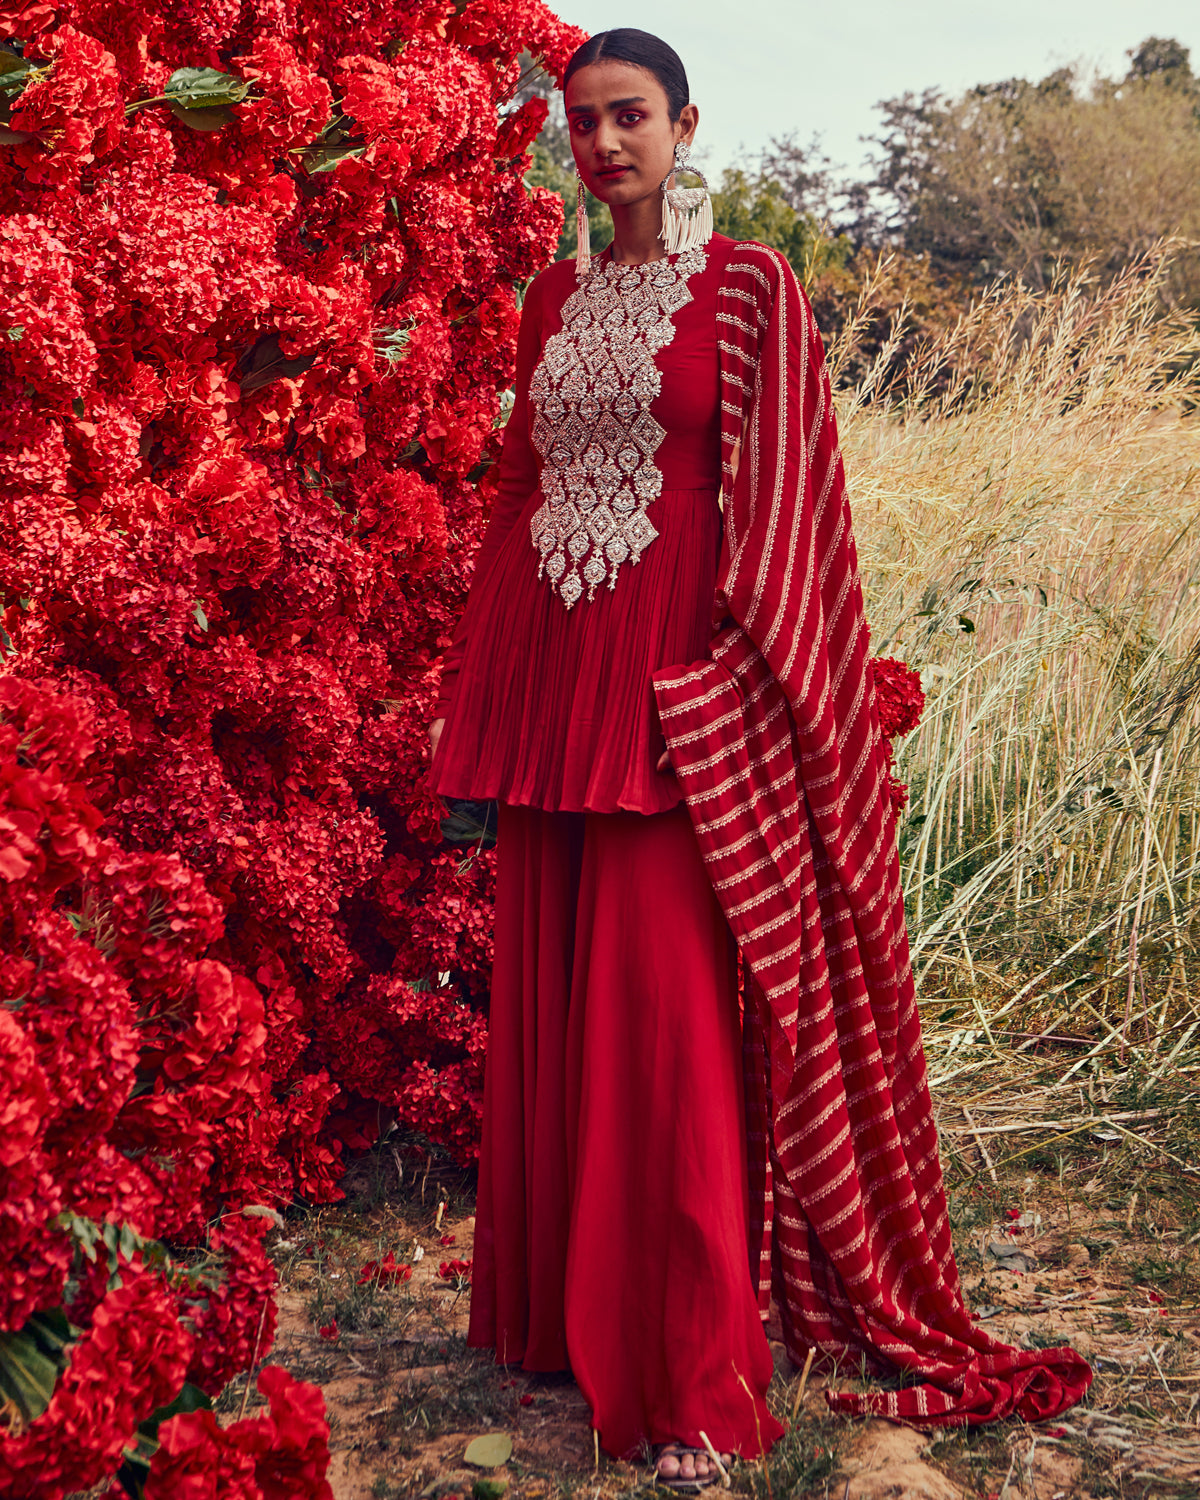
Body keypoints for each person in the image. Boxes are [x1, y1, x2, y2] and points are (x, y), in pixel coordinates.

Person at [428, 27, 1091, 1491]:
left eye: (631, 118)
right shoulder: (550, 299)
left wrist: (742, 683)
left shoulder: (746, 291)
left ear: (684, 124)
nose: (605, 143)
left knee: (665, 1033)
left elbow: (792, 499)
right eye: (584, 121)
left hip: (680, 703)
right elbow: (526, 487)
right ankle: (556, 1327)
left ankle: (687, 1381)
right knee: (556, 1007)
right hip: (558, 696)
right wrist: (492, 693)